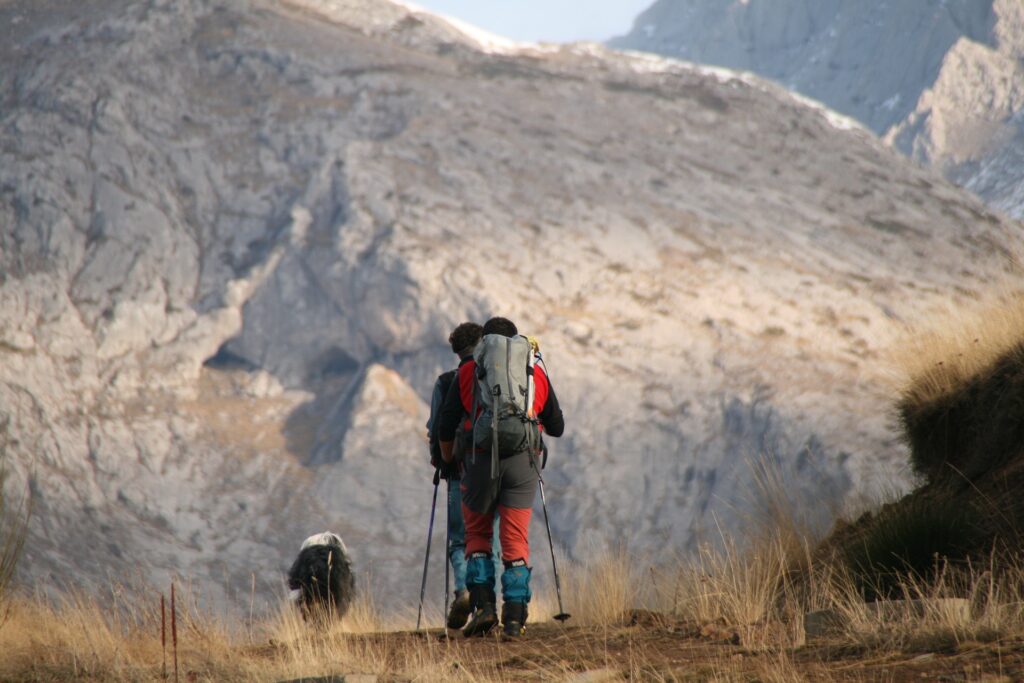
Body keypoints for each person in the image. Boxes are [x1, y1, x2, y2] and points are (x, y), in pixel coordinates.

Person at [436, 316, 565, 638]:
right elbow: (557, 427)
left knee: (477, 536)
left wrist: (448, 458)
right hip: (523, 462)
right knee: (515, 539)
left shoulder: (469, 370)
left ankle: (484, 608)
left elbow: (445, 422)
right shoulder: (533, 371)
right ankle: (515, 617)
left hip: (478, 461)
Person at [426, 321, 482, 629]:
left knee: (460, 541)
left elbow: (436, 428)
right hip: (492, 469)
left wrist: (443, 461)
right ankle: (487, 604)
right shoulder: (491, 378)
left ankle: (462, 590)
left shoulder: (446, 381)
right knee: (488, 539)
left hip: (458, 470)